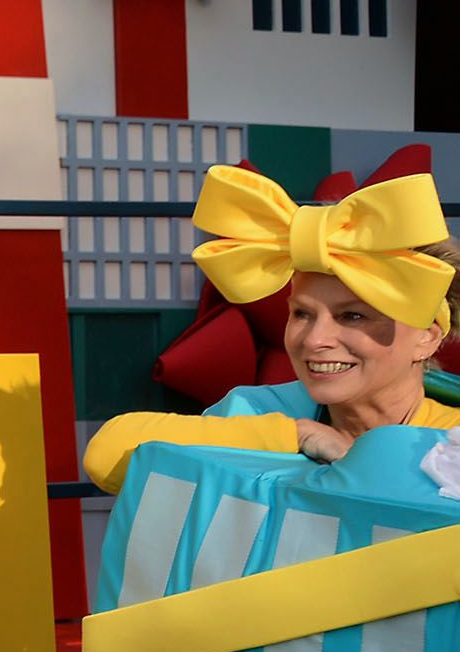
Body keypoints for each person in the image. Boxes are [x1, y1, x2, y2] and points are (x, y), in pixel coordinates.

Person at [83, 167, 456, 491]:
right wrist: (295, 436)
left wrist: (363, 464)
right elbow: (107, 456)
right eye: (302, 314)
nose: (315, 339)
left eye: (352, 316)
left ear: (427, 337)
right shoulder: (261, 413)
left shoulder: (452, 435)